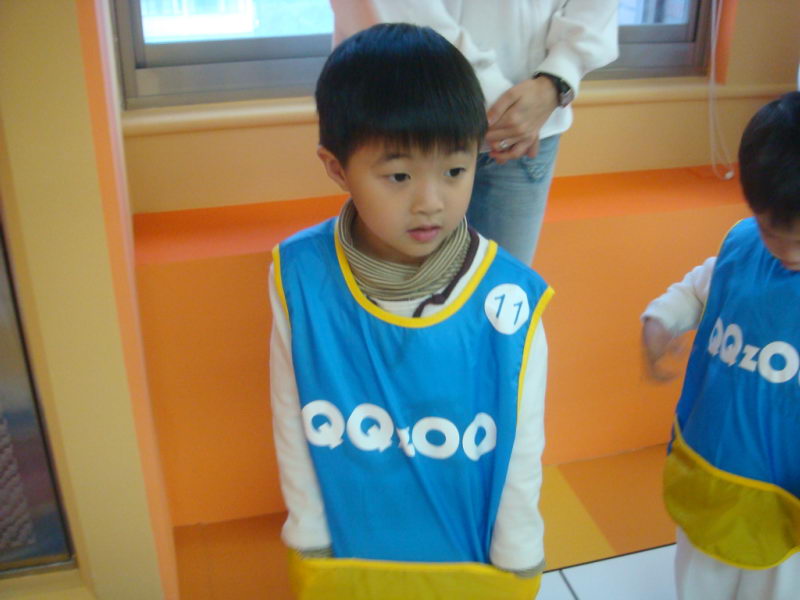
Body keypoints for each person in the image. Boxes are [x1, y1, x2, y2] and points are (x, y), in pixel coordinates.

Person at [269, 23, 553, 599]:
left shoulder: (510, 298)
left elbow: (522, 442)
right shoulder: (298, 276)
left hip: (464, 552)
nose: (431, 202)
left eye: (455, 170)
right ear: (336, 167)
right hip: (354, 549)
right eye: (399, 176)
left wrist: (519, 549)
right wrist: (309, 534)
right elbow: (290, 414)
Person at [641, 92, 800, 600]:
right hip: (710, 467)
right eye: (774, 232)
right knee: (700, 577)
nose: (790, 252)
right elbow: (697, 290)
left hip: (785, 498)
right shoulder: (742, 246)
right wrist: (661, 321)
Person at [329, 0, 618, 265]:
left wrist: (559, 75)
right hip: (407, 118)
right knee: (394, 284)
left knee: (499, 286)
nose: (430, 205)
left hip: (529, 120)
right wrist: (507, 107)